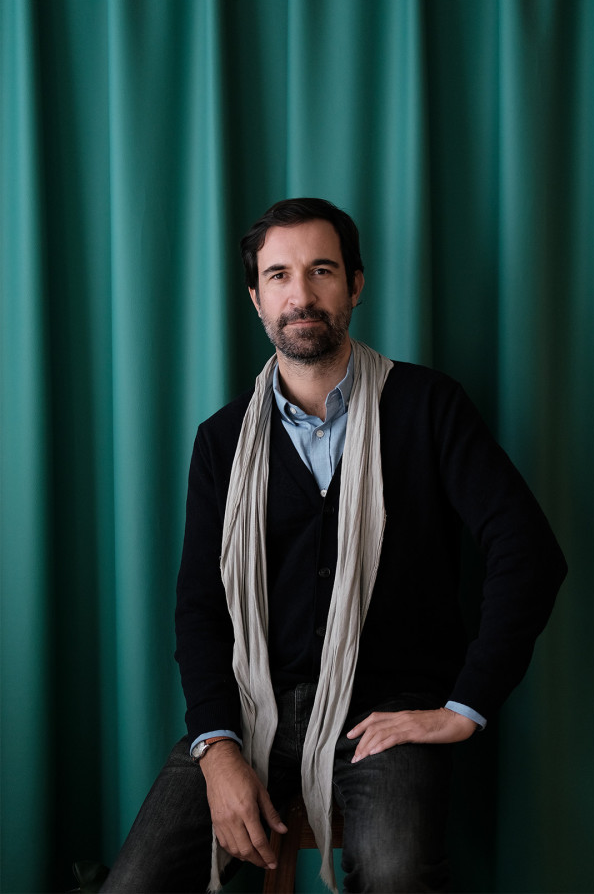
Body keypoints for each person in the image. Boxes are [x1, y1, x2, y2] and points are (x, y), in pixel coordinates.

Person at [101, 198, 567, 894]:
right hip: (251, 710)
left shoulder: (428, 406)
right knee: (134, 883)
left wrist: (463, 708)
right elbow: (201, 608)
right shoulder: (221, 441)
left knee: (396, 871)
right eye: (279, 275)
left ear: (355, 284)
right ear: (256, 297)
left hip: (386, 711)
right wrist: (216, 748)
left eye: (321, 270)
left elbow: (528, 553)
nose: (301, 294)